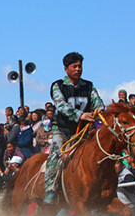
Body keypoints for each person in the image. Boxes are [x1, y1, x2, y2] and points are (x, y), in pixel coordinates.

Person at [44, 52, 105, 204]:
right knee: (55, 154)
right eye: (74, 66)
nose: (78, 69)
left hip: (82, 133)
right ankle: (50, 190)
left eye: (80, 66)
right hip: (62, 130)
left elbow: (97, 101)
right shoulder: (58, 86)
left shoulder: (89, 86)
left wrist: (99, 109)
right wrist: (81, 115)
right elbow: (61, 105)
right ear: (66, 69)